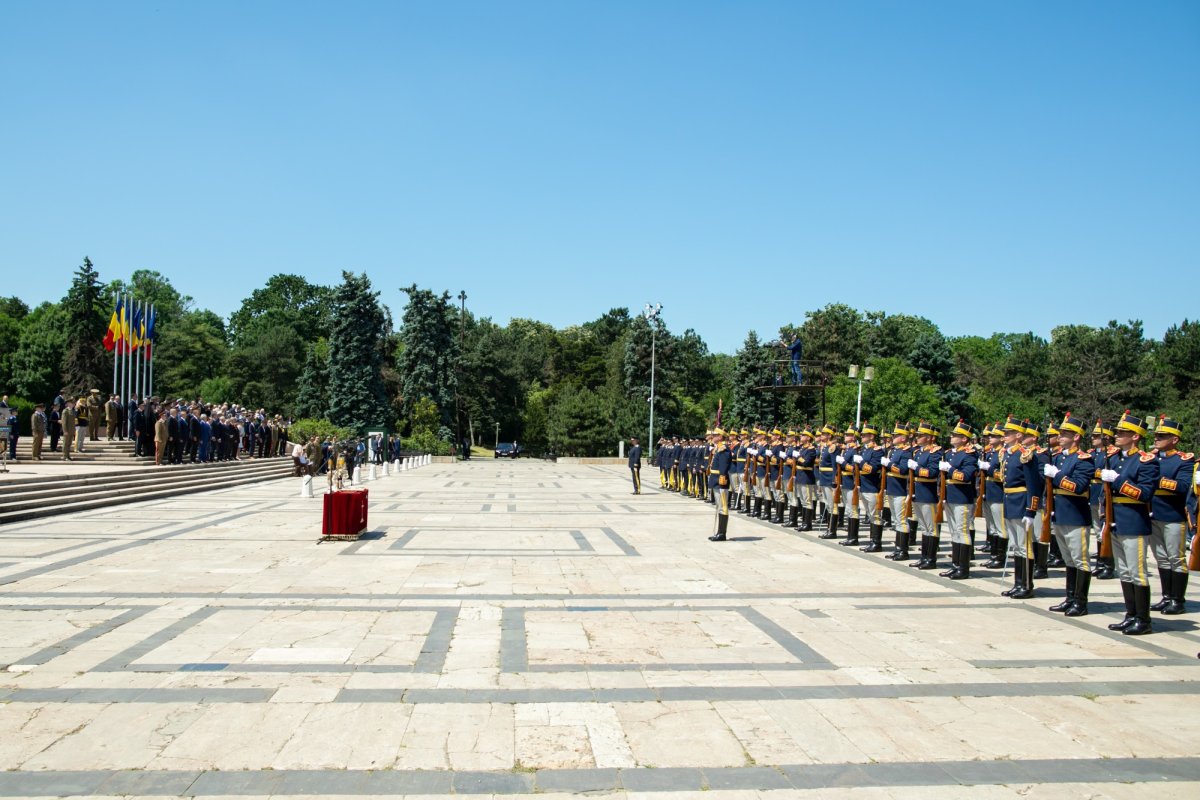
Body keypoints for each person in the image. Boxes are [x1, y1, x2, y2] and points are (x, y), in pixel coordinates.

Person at [1101, 412, 1160, 635]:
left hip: (1134, 521)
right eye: (1117, 432)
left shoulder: (1146, 461)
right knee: (1124, 572)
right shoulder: (1115, 458)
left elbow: (1145, 493)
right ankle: (1131, 615)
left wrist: (1118, 481)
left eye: (1123, 432)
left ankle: (1143, 620)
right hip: (1116, 520)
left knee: (1137, 572)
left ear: (1135, 436)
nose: (1117, 435)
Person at [1044, 413, 1096, 616]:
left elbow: (1078, 486)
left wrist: (1056, 475)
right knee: (1068, 559)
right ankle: (1070, 598)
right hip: (1060, 514)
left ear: (1076, 437)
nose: (1060, 437)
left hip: (1076, 516)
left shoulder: (1084, 459)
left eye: (1065, 434)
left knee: (1080, 559)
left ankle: (1080, 602)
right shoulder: (1058, 457)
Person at [1148, 416, 1193, 616]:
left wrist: (1155, 480)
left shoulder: (1183, 460)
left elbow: (1182, 486)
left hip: (1172, 514)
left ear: (1174, 439)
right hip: (1153, 513)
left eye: (1162, 436)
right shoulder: (1151, 458)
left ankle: (1177, 600)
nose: (1157, 438)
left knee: (1176, 558)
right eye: (1157, 435)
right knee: (1161, 558)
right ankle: (1166, 596)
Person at [937, 420, 979, 580]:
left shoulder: (969, 454)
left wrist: (950, 469)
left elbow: (966, 476)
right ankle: (955, 565)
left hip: (962, 498)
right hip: (950, 496)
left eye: (955, 435)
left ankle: (963, 568)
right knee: (954, 532)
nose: (952, 437)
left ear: (964, 438)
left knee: (962, 531)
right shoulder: (949, 453)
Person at [708, 428, 733, 541]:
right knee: (719, 506)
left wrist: (722, 479)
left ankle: (722, 534)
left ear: (720, 437)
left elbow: (723, 467)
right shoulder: (718, 448)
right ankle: (719, 532)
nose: (712, 436)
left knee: (723, 507)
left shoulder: (724, 450)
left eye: (715, 435)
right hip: (715, 480)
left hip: (720, 481)